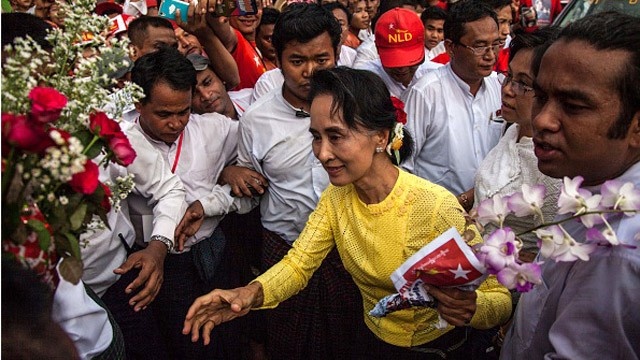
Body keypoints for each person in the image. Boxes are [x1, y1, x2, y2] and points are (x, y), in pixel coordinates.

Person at [182, 66, 512, 359]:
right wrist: (248, 295)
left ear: (381, 137)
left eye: (336, 136)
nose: (322, 153)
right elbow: (298, 266)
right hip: (371, 341)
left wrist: (472, 308)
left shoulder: (434, 207)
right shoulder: (337, 198)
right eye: (316, 137)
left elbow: (498, 297)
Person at [218, 5, 367, 359]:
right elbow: (249, 189)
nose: (310, 71)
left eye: (322, 59)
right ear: (278, 58)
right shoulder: (257, 121)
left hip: (352, 251)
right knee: (289, 343)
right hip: (285, 252)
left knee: (353, 341)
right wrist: (228, 176)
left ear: (339, 53)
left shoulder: (361, 106)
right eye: (297, 60)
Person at [500, 12, 640, 359]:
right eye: (542, 96)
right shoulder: (590, 190)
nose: (543, 119)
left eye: (574, 106)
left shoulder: (617, 249)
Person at [130, 47, 259, 359]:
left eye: (183, 112)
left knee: (230, 332)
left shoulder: (214, 130)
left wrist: (230, 171)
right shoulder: (122, 143)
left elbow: (257, 177)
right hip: (157, 263)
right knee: (186, 341)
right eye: (163, 114)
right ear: (138, 103)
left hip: (213, 252)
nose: (176, 123)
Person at [403, 0, 504, 212]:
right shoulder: (425, 94)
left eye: (495, 44)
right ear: (450, 47)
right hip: (437, 216)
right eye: (478, 46)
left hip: (491, 214)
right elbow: (404, 167)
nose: (490, 55)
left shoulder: (500, 87)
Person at [473, 27, 560, 258]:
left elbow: (549, 257)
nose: (508, 89)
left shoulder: (552, 165)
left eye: (522, 83)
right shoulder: (512, 130)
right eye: (508, 76)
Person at [355, 7, 441, 100]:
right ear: (377, 48)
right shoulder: (364, 80)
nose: (402, 68)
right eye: (394, 61)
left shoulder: (437, 77)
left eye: (410, 61)